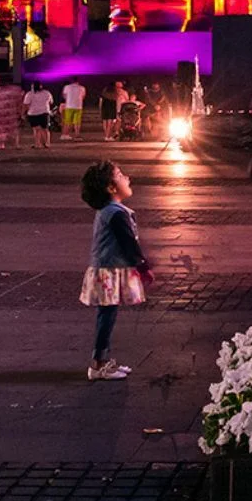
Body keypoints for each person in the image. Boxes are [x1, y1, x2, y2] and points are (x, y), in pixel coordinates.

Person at [79, 160, 153, 382]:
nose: (127, 178)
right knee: (107, 316)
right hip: (108, 271)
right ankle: (98, 364)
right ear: (111, 188)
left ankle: (102, 361)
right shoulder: (116, 213)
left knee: (107, 315)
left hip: (107, 269)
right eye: (120, 175)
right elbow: (128, 243)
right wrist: (143, 266)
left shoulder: (109, 211)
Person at [0, 77, 24, 149]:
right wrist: (20, 111)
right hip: (12, 112)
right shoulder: (16, 90)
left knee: (1, 128)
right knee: (14, 127)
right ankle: (16, 144)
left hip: (0, 112)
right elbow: (19, 100)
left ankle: (1, 144)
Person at [23, 81, 55, 148]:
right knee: (45, 129)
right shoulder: (47, 93)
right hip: (44, 112)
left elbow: (26, 104)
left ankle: (37, 144)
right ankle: (47, 143)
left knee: (36, 129)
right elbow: (51, 102)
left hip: (33, 113)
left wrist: (24, 113)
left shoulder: (29, 94)